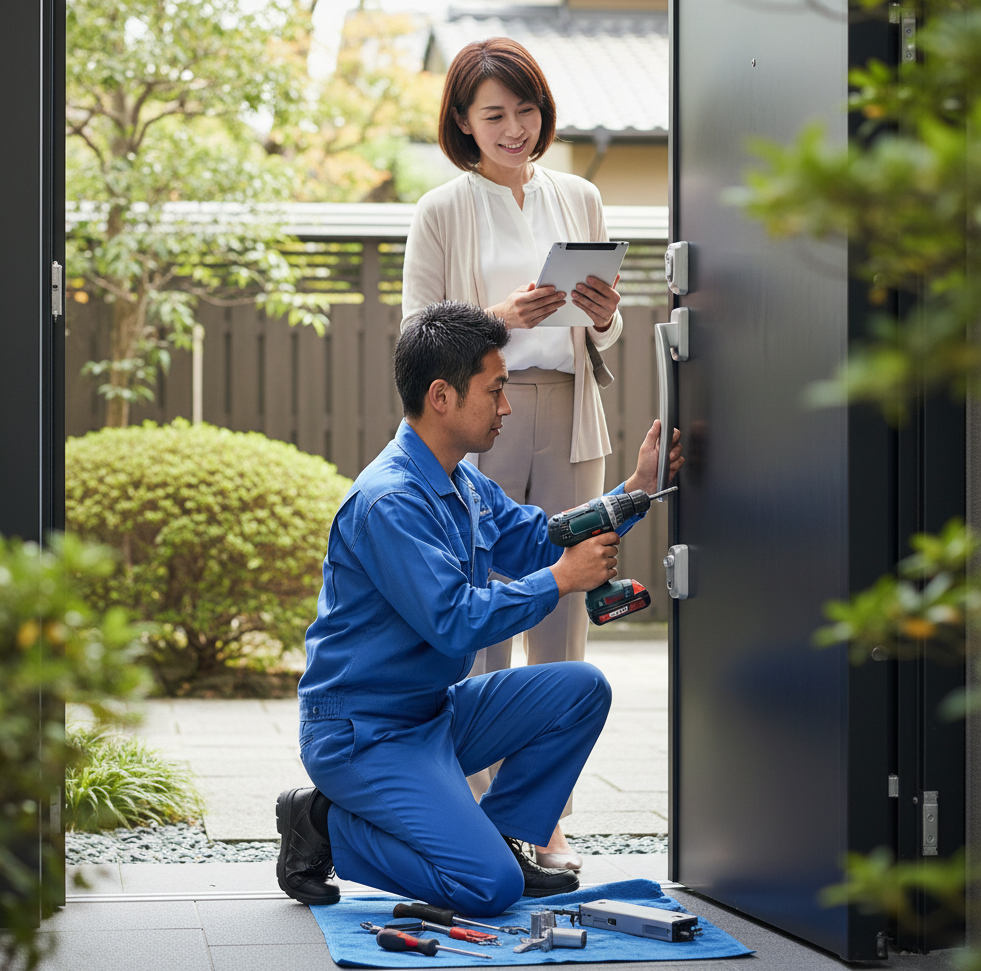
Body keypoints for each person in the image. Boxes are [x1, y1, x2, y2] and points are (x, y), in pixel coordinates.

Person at [277, 301, 683, 916]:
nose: (507, 406)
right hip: (365, 734)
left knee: (580, 689)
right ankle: (323, 823)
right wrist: (562, 580)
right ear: (442, 396)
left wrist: (635, 488)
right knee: (488, 890)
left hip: (431, 714)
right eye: (495, 391)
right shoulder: (390, 502)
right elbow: (456, 622)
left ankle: (499, 836)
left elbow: (541, 537)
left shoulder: (464, 482)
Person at [401, 37, 625, 869]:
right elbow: (415, 338)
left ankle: (546, 818)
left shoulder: (581, 195)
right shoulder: (441, 210)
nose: (515, 127)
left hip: (571, 416)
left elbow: (607, 329)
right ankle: (479, 815)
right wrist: (497, 318)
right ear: (463, 120)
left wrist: (603, 311)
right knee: (484, 618)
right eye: (494, 113)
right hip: (479, 422)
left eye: (526, 110)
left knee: (567, 615)